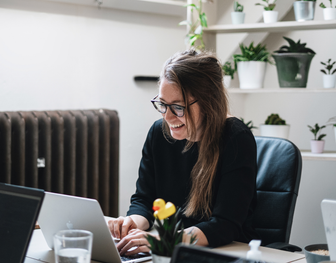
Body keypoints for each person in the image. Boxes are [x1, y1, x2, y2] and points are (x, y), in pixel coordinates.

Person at [108, 49, 259, 256]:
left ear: (208, 102)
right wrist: (131, 222)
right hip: (172, 250)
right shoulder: (158, 133)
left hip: (222, 253)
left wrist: (164, 241)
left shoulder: (235, 138)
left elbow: (225, 225)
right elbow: (144, 199)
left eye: (178, 107)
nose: (168, 117)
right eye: (162, 104)